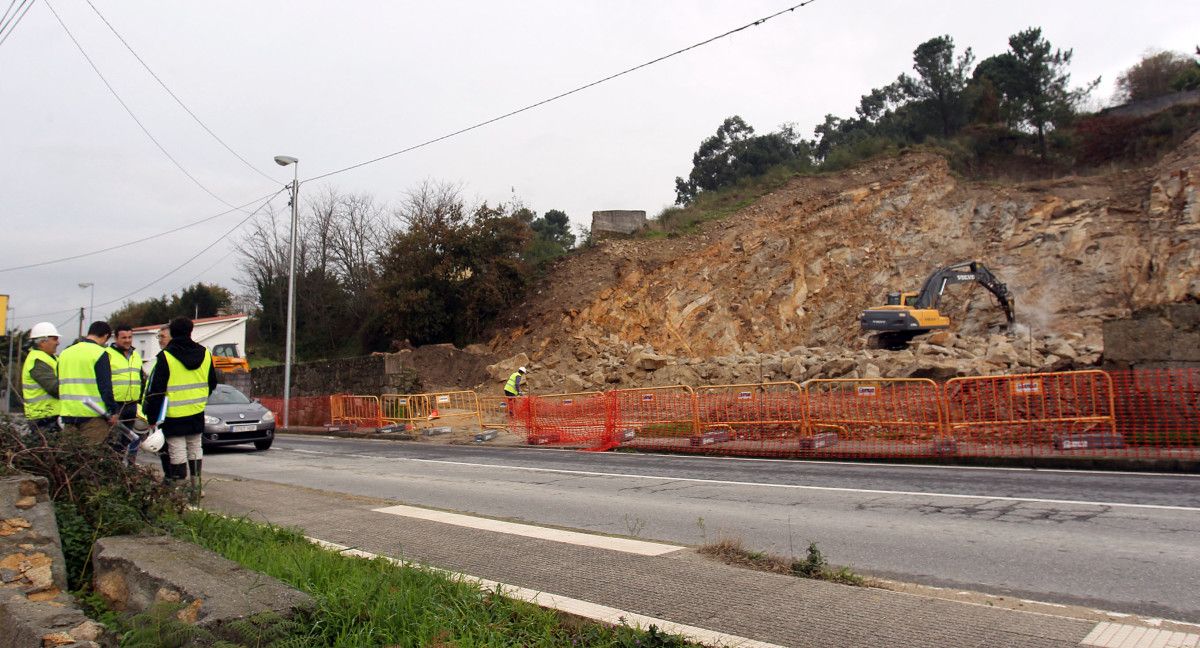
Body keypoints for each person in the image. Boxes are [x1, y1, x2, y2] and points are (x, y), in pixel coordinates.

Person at [143, 316, 217, 498]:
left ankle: (179, 493)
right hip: (196, 412)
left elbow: (155, 391)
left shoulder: (166, 356)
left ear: (173, 333)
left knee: (177, 453)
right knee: (195, 449)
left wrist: (152, 418)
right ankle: (197, 488)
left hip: (173, 415)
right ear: (191, 331)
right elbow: (212, 383)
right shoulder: (205, 353)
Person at [56, 321, 118, 444]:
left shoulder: (65, 353)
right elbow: (105, 387)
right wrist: (112, 411)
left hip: (68, 414)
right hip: (93, 416)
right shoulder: (100, 353)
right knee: (91, 458)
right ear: (106, 336)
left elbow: (59, 380)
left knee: (70, 458)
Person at [108, 323, 145, 460]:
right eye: (124, 337)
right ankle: (114, 468)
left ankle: (127, 469)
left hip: (132, 404)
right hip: (116, 405)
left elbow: (140, 378)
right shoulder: (108, 355)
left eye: (130, 337)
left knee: (128, 440)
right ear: (116, 338)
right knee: (114, 442)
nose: (128, 340)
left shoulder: (135, 355)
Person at [21, 322, 61, 433]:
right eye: (55, 339)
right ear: (42, 342)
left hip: (49, 416)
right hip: (43, 418)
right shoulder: (38, 360)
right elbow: (55, 388)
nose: (58, 342)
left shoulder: (50, 358)